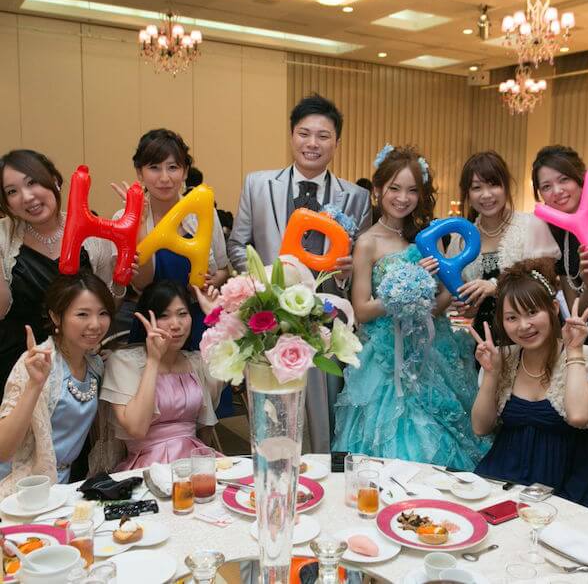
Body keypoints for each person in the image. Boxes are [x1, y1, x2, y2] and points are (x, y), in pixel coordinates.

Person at [227, 93, 372, 452]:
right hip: (269, 325)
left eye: (323, 136)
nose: (312, 143)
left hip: (327, 326)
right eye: (304, 133)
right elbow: (237, 245)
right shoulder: (258, 185)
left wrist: (347, 272)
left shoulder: (355, 197)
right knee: (274, 421)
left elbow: (362, 264)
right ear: (292, 135)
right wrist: (267, 287)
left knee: (326, 423)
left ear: (337, 142)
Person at [333, 145, 489, 469]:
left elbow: (442, 299)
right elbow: (361, 310)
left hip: (431, 347)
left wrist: (429, 299)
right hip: (385, 354)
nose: (403, 198)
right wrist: (404, 292)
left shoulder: (430, 237)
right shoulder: (367, 242)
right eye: (395, 188)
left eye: (412, 190)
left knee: (441, 434)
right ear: (378, 190)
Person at [470, 258, 588, 510]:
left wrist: (574, 350)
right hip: (503, 480)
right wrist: (492, 374)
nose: (524, 326)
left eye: (532, 312)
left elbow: (578, 416)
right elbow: (480, 427)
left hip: (566, 487)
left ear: (553, 308)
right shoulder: (502, 358)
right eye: (512, 317)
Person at [0, 150, 121, 397]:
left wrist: (122, 275)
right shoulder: (3, 236)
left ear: (54, 180)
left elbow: (109, 304)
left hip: (79, 365)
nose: (27, 197)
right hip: (17, 367)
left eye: (32, 182)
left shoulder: (93, 233)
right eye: (12, 191)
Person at [111, 129, 229, 347]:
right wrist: (139, 222)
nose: (164, 178)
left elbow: (223, 269)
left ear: (185, 172)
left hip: (197, 319)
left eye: (173, 167)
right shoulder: (123, 218)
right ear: (140, 173)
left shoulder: (203, 213)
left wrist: (213, 281)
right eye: (154, 168)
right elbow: (141, 283)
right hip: (153, 323)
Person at [0, 272, 114, 496]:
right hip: (22, 487)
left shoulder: (95, 365)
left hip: (63, 486)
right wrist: (34, 385)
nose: (95, 324)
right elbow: (3, 450)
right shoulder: (37, 362)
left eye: (103, 313)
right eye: (82, 314)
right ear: (56, 317)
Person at [100, 280, 223, 470]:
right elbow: (136, 428)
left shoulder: (196, 362)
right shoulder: (124, 362)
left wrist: (217, 319)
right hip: (149, 466)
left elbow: (240, 363)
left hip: (196, 459)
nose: (176, 324)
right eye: (164, 316)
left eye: (182, 314)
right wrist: (153, 360)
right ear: (146, 320)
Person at [449, 151, 560, 342]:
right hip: (485, 338)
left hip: (529, 335)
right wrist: (468, 308)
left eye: (493, 184)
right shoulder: (460, 239)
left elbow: (548, 282)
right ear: (468, 193)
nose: (486, 195)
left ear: (506, 186)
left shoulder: (531, 225)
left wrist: (495, 286)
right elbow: (459, 298)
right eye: (477, 188)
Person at [532, 145, 588, 343]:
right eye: (546, 187)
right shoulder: (555, 234)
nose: (557, 191)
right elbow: (575, 312)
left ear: (580, 178)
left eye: (564, 179)